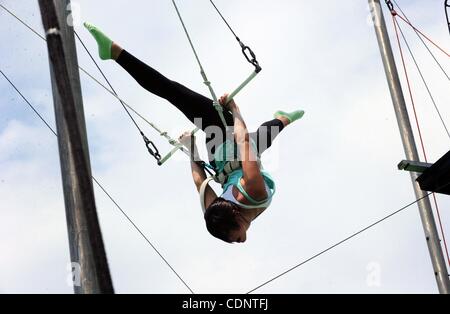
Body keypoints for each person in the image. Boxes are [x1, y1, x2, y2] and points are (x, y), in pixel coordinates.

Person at [84, 23, 304, 244]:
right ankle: (284, 117)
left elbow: (201, 183)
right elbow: (244, 141)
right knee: (261, 137)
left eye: (233, 239)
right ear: (236, 216)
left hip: (219, 149)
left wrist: (191, 148)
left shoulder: (217, 212)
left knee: (175, 94)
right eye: (234, 239)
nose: (240, 241)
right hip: (235, 143)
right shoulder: (256, 192)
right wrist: (235, 110)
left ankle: (116, 54)